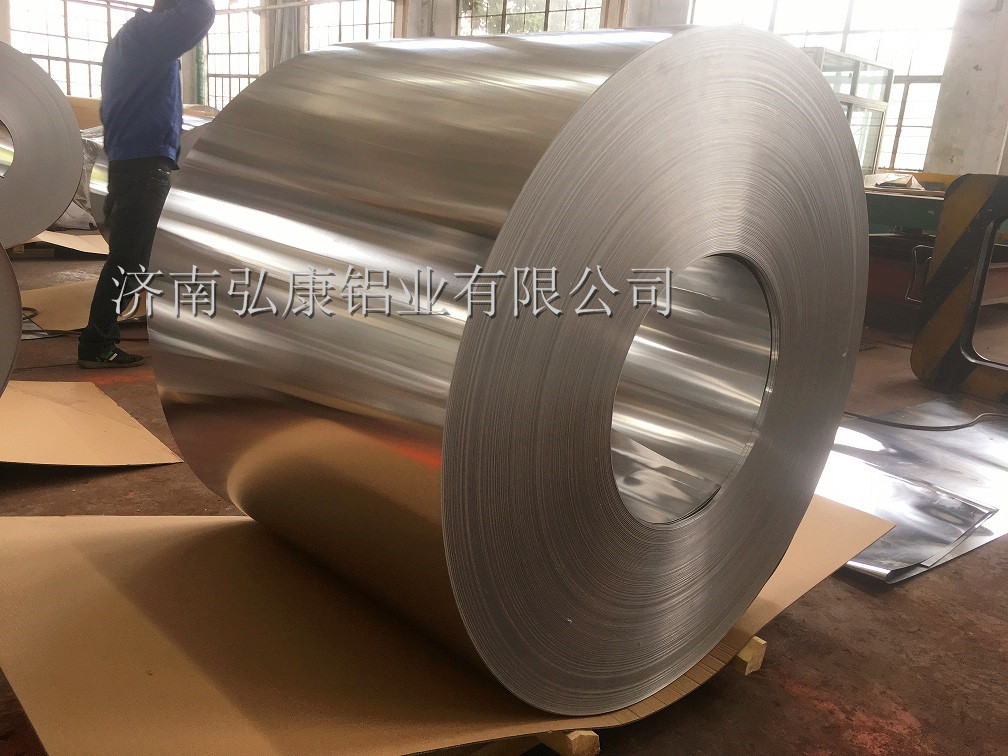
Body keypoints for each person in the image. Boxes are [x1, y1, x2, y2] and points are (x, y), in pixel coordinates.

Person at [77, 0, 215, 368]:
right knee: (130, 260)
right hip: (143, 167)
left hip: (131, 163)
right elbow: (200, 14)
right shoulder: (147, 36)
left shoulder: (132, 41)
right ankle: (96, 343)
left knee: (137, 258)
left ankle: (116, 337)